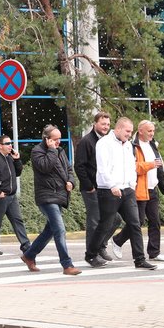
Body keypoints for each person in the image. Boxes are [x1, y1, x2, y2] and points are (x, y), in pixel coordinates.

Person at [86, 117, 156, 270]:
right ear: (118, 129)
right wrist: (112, 185)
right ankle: (91, 254)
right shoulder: (104, 143)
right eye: (127, 131)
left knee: (135, 223)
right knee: (106, 224)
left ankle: (139, 259)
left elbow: (131, 166)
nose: (130, 135)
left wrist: (132, 184)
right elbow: (103, 168)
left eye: (131, 132)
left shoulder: (128, 145)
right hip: (108, 190)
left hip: (127, 189)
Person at [19, 125, 81, 275]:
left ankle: (29, 255)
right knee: (59, 229)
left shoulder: (60, 151)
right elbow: (45, 167)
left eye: (59, 139)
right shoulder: (37, 152)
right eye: (55, 139)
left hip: (59, 196)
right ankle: (67, 265)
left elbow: (69, 170)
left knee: (50, 230)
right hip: (46, 197)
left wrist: (71, 182)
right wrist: (52, 150)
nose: (58, 142)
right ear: (46, 139)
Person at [110, 120, 164, 262]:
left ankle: (154, 252)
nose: (152, 133)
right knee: (139, 221)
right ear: (140, 130)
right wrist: (150, 165)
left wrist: (163, 185)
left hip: (152, 188)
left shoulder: (153, 145)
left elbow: (160, 167)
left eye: (153, 131)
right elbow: (133, 167)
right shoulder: (132, 146)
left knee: (155, 222)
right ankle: (118, 240)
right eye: (149, 131)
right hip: (139, 189)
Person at [74, 111, 118, 262]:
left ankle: (100, 245)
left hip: (106, 187)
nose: (106, 127)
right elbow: (79, 166)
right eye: (102, 124)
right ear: (95, 124)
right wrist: (89, 186)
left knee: (115, 218)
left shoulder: (109, 142)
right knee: (94, 221)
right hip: (91, 188)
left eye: (107, 124)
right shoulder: (86, 141)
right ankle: (91, 255)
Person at [0, 134, 31, 255]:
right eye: (7, 144)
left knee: (17, 220)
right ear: (0, 145)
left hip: (12, 196)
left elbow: (18, 173)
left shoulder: (10, 158)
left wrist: (17, 159)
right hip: (0, 196)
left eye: (11, 143)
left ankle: (26, 245)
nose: (10, 146)